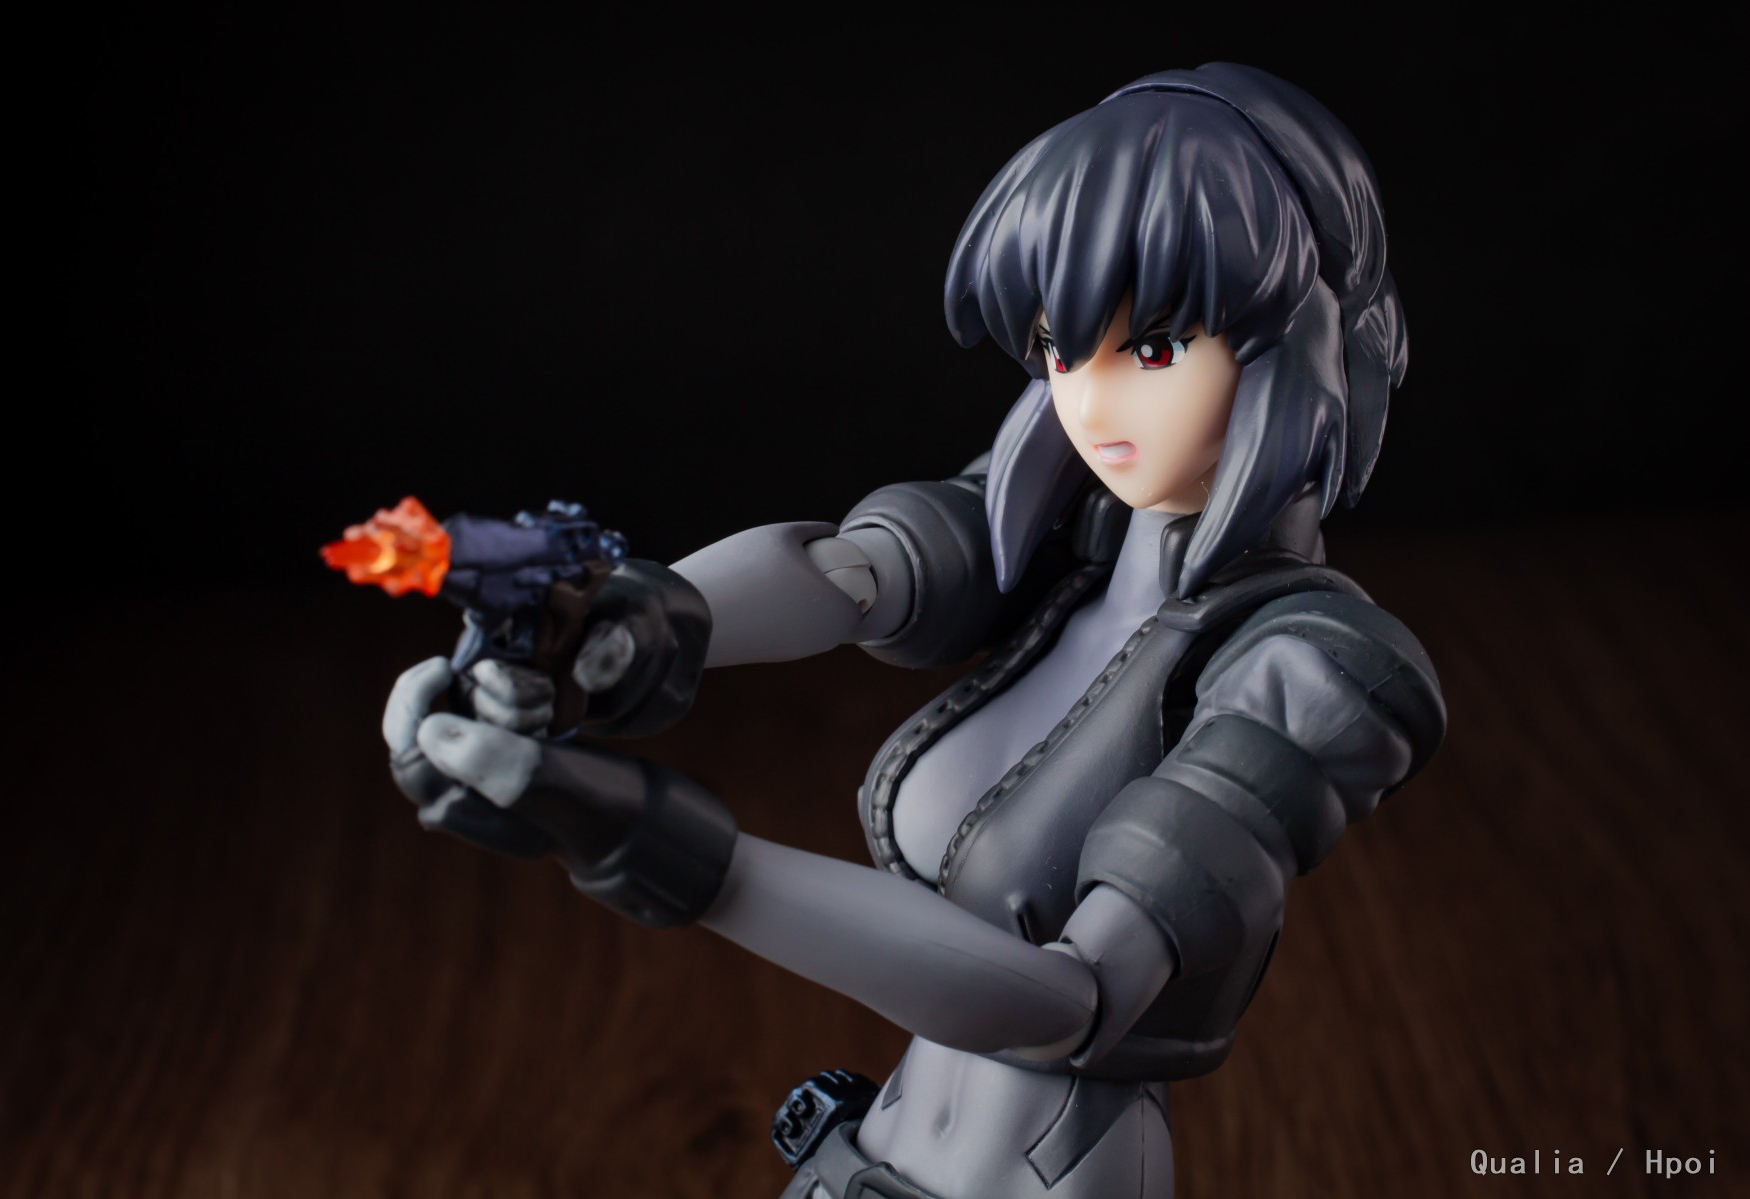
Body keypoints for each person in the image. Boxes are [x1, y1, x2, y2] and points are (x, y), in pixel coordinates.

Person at [382, 62, 1446, 1199]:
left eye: (1151, 347)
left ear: (1302, 344)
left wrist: (669, 853)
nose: (1088, 403)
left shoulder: (1315, 671)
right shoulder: (1067, 531)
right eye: (1058, 345)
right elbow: (852, 572)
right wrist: (628, 628)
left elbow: (1070, 1001)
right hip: (869, 1153)